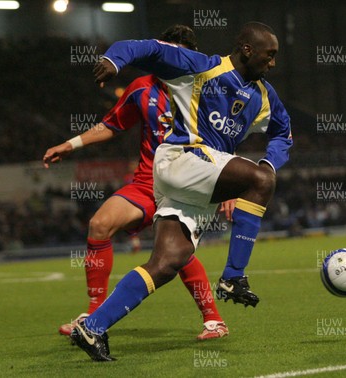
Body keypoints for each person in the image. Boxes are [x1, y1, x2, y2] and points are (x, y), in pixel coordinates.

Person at [71, 21, 292, 361]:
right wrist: (116, 59)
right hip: (182, 158)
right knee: (261, 181)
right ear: (248, 49)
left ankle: (93, 328)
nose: (272, 63)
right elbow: (150, 48)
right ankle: (234, 276)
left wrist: (270, 160)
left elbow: (283, 133)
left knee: (166, 262)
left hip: (198, 186)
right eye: (270, 55)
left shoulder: (264, 96)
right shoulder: (204, 67)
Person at [43, 25, 229, 342]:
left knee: (174, 253)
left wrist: (228, 186)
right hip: (146, 184)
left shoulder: (208, 90)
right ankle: (94, 314)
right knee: (99, 224)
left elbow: (225, 137)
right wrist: (70, 145)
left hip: (186, 186)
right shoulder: (142, 87)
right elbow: (112, 125)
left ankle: (213, 320)